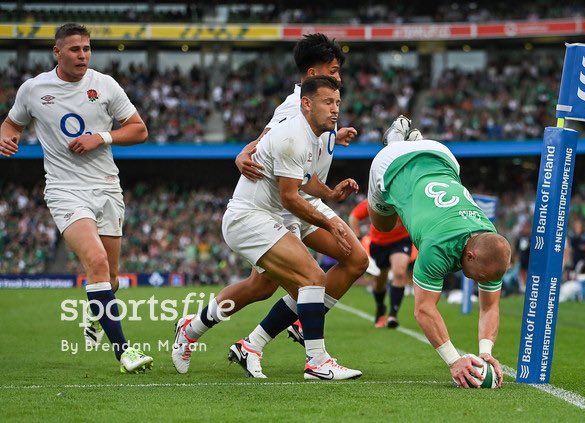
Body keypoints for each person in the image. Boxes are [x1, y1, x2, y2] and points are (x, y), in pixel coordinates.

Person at [171, 34, 368, 376]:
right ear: (312, 73)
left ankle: (247, 341)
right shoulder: (294, 109)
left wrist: (338, 146)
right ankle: (304, 346)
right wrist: (243, 153)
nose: (339, 79)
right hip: (277, 207)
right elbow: (268, 143)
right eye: (333, 71)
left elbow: (303, 168)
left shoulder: (323, 106)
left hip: (298, 201)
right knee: (304, 281)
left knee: (349, 261)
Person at [0, 23, 153, 373]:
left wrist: (101, 137)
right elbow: (11, 123)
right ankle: (125, 353)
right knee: (96, 262)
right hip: (65, 190)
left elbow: (139, 130)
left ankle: (94, 311)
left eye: (86, 48)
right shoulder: (34, 89)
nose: (82, 55)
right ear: (57, 52)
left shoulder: (105, 85)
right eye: (74, 49)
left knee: (111, 278)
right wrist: (6, 137)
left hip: (107, 188)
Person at [218, 75, 361, 379]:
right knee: (307, 279)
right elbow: (290, 197)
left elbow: (305, 181)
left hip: (266, 217)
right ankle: (317, 363)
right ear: (306, 103)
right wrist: (329, 224)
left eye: (337, 102)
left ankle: (252, 346)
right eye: (327, 102)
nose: (335, 109)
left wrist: (332, 194)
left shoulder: (311, 135)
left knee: (307, 282)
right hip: (250, 217)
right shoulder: (292, 135)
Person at [367, 116, 511, 389]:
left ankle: (413, 144)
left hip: (441, 153)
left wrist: (486, 351)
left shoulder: (490, 244)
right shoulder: (437, 248)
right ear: (469, 256)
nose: (478, 282)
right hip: (389, 165)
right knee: (383, 225)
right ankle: (395, 140)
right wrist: (454, 360)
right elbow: (423, 310)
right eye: (478, 277)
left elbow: (490, 305)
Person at [349, 198, 412, 328]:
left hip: (401, 241)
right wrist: (358, 239)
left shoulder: (406, 198)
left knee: (400, 273)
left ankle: (393, 315)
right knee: (379, 282)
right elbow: (354, 216)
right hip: (378, 244)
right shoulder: (376, 199)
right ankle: (380, 308)